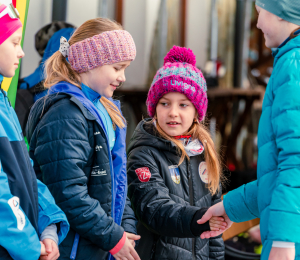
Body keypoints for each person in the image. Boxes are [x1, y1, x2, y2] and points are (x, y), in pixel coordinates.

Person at [26, 18, 141, 260]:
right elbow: (68, 193)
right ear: (90, 61)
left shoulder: (106, 109)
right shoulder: (65, 115)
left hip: (99, 244)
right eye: (117, 68)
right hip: (72, 249)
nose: (123, 78)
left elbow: (117, 181)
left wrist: (126, 228)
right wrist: (114, 237)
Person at [198, 1, 300, 259]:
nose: (257, 24)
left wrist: (284, 240)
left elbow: (295, 163)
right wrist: (230, 207)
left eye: (260, 13)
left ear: (281, 13)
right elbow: (276, 176)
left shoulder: (293, 67)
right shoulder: (288, 62)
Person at [126, 45, 227, 260]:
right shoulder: (144, 154)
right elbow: (154, 210)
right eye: (165, 103)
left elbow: (216, 230)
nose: (173, 112)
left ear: (196, 112)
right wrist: (200, 218)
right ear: (154, 108)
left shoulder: (203, 152)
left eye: (183, 105)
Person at [0, 3, 69, 260]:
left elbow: (25, 171)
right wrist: (30, 244)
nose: (21, 53)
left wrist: (48, 225)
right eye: (15, 42)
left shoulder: (4, 101)